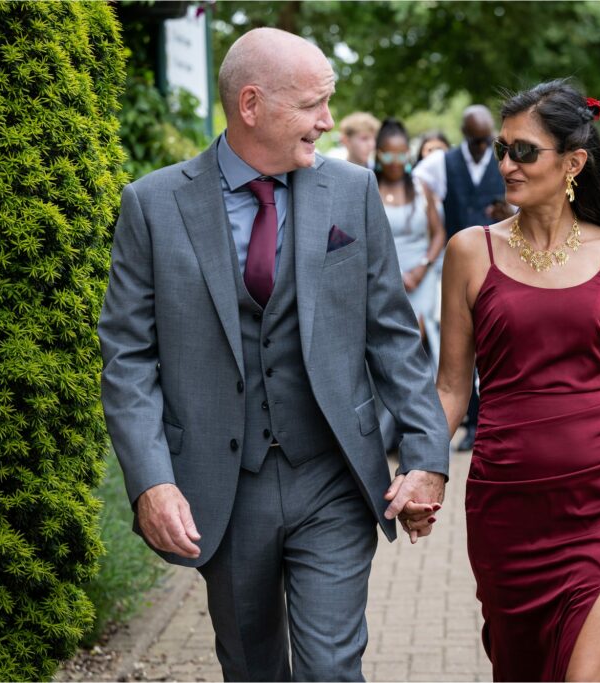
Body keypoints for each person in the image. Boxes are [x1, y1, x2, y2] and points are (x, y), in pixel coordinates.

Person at [98, 28, 449, 682]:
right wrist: (152, 478)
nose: (328, 121)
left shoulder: (352, 192)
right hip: (224, 491)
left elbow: (393, 336)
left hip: (334, 478)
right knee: (254, 670)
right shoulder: (152, 205)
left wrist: (428, 458)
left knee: (330, 670)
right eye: (312, 104)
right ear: (251, 105)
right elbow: (128, 358)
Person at [436, 79, 600, 681]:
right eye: (502, 150)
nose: (507, 165)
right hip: (508, 504)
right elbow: (451, 389)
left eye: (524, 151)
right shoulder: (470, 251)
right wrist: (423, 469)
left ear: (573, 163)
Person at [414, 105, 510, 452]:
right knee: (458, 350)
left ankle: (492, 422)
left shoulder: (505, 163)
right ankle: (468, 424)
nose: (483, 148)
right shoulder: (443, 164)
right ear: (464, 136)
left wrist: (507, 212)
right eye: (476, 141)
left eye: (488, 141)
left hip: (502, 264)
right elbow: (412, 181)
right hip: (455, 268)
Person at [374, 118, 446, 446]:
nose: (395, 163)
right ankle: (386, 432)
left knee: (419, 341)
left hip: (423, 275)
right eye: (388, 156)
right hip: (384, 279)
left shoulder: (421, 188)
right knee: (389, 348)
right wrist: (393, 274)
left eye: (402, 155)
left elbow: (438, 234)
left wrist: (422, 267)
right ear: (378, 155)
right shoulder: (367, 187)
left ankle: (417, 428)